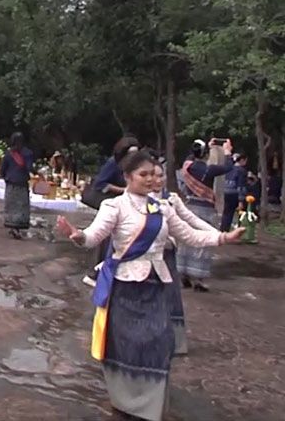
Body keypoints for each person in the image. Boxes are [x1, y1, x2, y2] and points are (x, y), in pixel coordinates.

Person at [55, 150, 243, 421]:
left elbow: (189, 233)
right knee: (125, 345)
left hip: (156, 284)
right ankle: (125, 402)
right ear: (128, 177)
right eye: (142, 174)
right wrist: (77, 235)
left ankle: (148, 407)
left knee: (159, 342)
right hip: (125, 287)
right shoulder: (114, 206)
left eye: (153, 174)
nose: (149, 179)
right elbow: (94, 236)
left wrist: (223, 238)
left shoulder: (164, 207)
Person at [150, 159, 217, 357]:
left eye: (160, 175)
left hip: (167, 256)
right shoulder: (135, 201)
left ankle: (174, 343)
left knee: (170, 297)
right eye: (151, 175)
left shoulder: (172, 200)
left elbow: (191, 220)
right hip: (144, 258)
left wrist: (217, 234)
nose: (157, 179)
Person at [177, 139, 233, 292]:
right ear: (206, 154)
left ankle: (183, 275)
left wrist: (205, 146)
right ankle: (199, 280)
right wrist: (227, 152)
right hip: (205, 209)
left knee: (186, 240)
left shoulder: (187, 166)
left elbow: (191, 154)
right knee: (204, 242)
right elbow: (228, 167)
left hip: (189, 209)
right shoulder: (209, 170)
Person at [83, 136, 141, 286]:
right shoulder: (113, 164)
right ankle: (95, 274)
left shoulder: (134, 167)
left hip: (126, 205)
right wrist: (124, 190)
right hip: (111, 203)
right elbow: (100, 184)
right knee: (105, 240)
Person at [0, 132, 34, 239]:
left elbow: (2, 170)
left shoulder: (9, 154)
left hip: (11, 182)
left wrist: (5, 177)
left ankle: (12, 227)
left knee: (11, 205)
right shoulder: (27, 153)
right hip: (22, 183)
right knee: (21, 206)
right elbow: (29, 168)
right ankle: (17, 228)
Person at [221, 154, 248, 231]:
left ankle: (223, 230)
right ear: (242, 160)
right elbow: (241, 185)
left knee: (226, 213)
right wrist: (241, 200)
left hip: (227, 192)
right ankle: (236, 231)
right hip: (235, 194)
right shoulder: (241, 171)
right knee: (238, 214)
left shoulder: (229, 169)